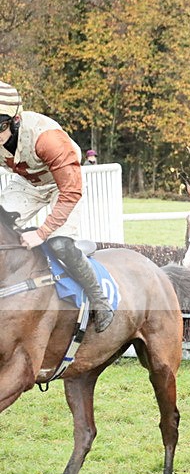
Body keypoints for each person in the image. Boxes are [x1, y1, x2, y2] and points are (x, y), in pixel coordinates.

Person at [0, 80, 114, 332]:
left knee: (59, 243)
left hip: (62, 186)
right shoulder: (6, 131)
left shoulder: (48, 139)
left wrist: (40, 233)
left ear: (15, 120)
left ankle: (99, 298)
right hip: (27, 183)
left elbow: (71, 192)